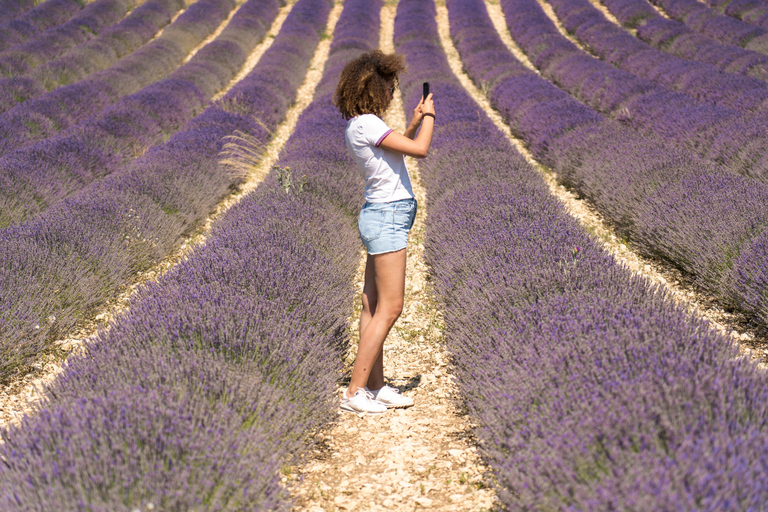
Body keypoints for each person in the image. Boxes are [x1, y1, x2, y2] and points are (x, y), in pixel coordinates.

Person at [333, 50, 435, 414]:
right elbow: (420, 150)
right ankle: (354, 392)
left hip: (381, 215)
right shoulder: (369, 124)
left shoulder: (360, 125)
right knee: (391, 308)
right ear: (375, 88)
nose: (392, 93)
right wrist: (430, 117)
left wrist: (413, 121)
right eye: (390, 87)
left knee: (372, 304)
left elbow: (395, 154)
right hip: (387, 217)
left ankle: (374, 386)